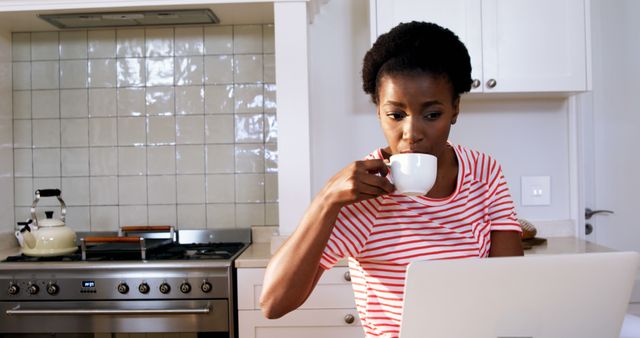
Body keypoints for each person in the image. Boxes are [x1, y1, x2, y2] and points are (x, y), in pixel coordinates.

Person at [260, 21, 524, 337]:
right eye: (396, 115)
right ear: (378, 112)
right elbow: (274, 303)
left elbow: (510, 288)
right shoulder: (362, 195)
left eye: (432, 115)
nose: (411, 134)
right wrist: (326, 200)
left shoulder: (484, 173)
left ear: (455, 109)